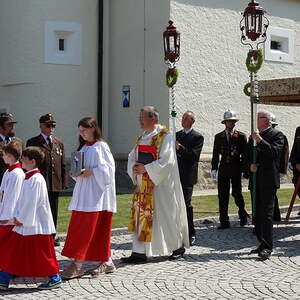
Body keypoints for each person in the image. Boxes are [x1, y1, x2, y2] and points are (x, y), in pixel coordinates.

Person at [122, 106, 189, 264]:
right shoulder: (142, 136)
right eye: (140, 117)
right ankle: (139, 252)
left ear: (153, 119)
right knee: (141, 217)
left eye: (142, 117)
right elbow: (133, 155)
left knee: (165, 216)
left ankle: (177, 247)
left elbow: (167, 161)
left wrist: (145, 168)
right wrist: (134, 166)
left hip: (160, 188)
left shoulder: (165, 137)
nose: (139, 120)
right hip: (143, 186)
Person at [61, 117, 117, 279]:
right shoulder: (84, 147)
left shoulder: (101, 146)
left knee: (90, 229)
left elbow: (108, 172)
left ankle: (78, 263)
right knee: (84, 228)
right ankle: (106, 261)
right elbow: (81, 171)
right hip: (84, 195)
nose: (82, 134)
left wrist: (92, 172)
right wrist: (76, 174)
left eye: (84, 130)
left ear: (93, 128)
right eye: (80, 131)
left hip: (97, 196)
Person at [0, 147, 62, 290]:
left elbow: (31, 203)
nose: (21, 160)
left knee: (42, 254)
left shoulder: (36, 179)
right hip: (27, 224)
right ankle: (3, 279)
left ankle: (54, 277)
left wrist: (20, 218)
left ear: (32, 162)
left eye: (24, 158)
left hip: (35, 226)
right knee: (14, 250)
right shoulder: (29, 177)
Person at [26, 113, 68, 246]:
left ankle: (52, 235)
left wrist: (64, 182)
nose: (51, 128)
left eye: (53, 125)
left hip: (54, 182)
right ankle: (40, 234)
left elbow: (63, 164)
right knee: (40, 208)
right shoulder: (33, 142)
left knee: (53, 210)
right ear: (41, 126)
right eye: (48, 125)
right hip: (40, 182)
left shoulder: (58, 143)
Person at [249, 110, 284, 260]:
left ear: (266, 120)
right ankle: (261, 242)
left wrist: (261, 141)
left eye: (258, 118)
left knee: (267, 214)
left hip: (269, 180)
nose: (255, 120)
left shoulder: (277, 135)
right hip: (256, 179)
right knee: (258, 213)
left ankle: (268, 246)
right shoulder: (254, 136)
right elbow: (248, 155)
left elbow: (274, 153)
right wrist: (250, 166)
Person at [211, 110, 249, 229]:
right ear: (225, 122)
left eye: (233, 121)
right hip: (223, 169)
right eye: (229, 121)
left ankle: (243, 216)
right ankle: (224, 221)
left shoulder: (241, 136)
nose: (231, 123)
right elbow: (215, 154)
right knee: (222, 195)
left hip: (236, 168)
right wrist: (214, 168)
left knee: (237, 194)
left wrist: (244, 169)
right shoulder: (219, 136)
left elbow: (245, 155)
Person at [176, 111, 204, 246]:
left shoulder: (197, 137)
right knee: (175, 206)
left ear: (192, 121)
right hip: (176, 175)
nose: (183, 120)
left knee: (186, 205)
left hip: (187, 176)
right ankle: (177, 232)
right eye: (182, 117)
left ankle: (191, 232)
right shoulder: (177, 135)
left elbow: (194, 156)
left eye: (186, 118)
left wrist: (180, 148)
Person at [0, 141, 24, 257]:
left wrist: (6, 217)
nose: (2, 156)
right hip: (5, 213)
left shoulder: (17, 174)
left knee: (7, 243)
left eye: (3, 154)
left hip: (10, 217)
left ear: (9, 155)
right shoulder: (9, 171)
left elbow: (13, 197)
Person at [270, 114, 289, 222]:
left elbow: (285, 154)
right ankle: (273, 215)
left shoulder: (280, 135)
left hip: (276, 169)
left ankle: (275, 215)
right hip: (267, 169)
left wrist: (283, 170)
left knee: (273, 193)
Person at [0, 113, 19, 184]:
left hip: (16, 182)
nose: (12, 127)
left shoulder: (18, 142)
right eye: (9, 125)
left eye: (13, 125)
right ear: (1, 127)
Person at [289, 126, 300, 204]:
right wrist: (294, 162)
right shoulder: (299, 129)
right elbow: (295, 147)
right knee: (297, 184)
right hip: (298, 166)